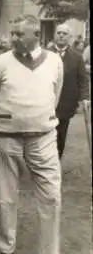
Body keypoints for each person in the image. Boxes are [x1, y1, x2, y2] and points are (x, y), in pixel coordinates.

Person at [0, 15, 63, 254]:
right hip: (6, 138)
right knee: (6, 196)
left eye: (20, 34)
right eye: (13, 33)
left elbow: (55, 95)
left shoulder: (54, 61)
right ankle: (6, 249)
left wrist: (38, 119)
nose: (14, 38)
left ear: (36, 36)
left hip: (43, 138)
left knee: (51, 195)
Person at [50, 24, 89, 159]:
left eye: (64, 34)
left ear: (70, 37)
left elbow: (83, 79)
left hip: (66, 104)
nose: (61, 35)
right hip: (46, 103)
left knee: (60, 135)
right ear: (55, 35)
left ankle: (56, 161)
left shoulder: (77, 57)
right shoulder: (45, 54)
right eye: (59, 32)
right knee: (45, 136)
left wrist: (85, 98)